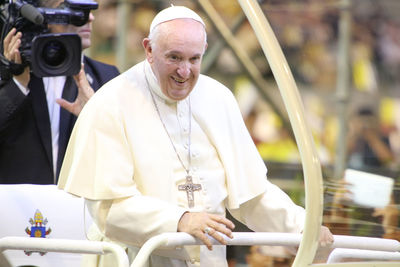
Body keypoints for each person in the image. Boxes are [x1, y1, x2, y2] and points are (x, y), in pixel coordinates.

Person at [58, 5, 333, 267]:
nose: (184, 71)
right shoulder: (111, 102)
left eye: (194, 59)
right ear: (149, 49)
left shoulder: (219, 98)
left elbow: (251, 196)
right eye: (174, 57)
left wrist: (302, 227)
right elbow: (108, 210)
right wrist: (180, 219)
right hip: (137, 258)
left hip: (209, 258)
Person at [0, 0, 120, 184]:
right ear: (38, 17)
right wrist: (17, 84)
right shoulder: (8, 73)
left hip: (78, 208)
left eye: (88, 9)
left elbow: (123, 156)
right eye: (74, 10)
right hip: (17, 207)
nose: (89, 17)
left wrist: (94, 117)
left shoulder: (107, 77)